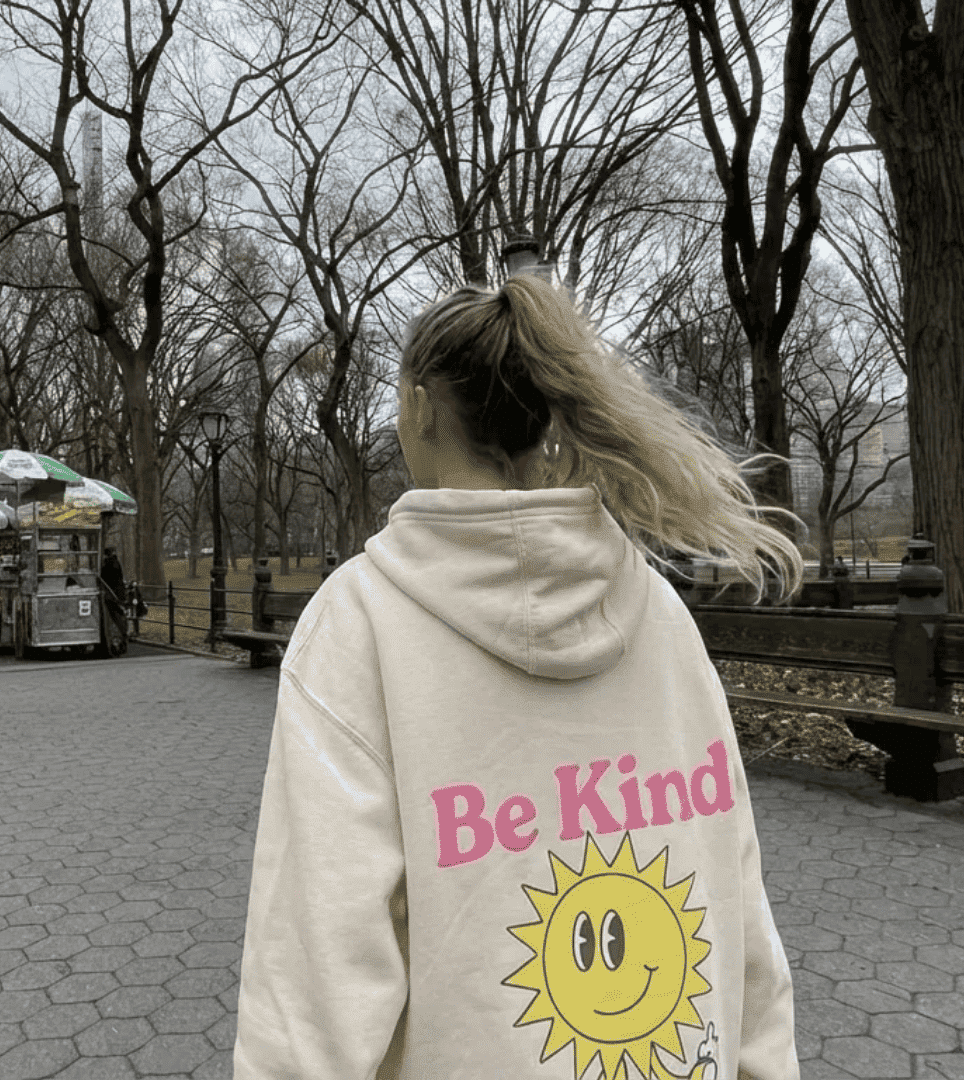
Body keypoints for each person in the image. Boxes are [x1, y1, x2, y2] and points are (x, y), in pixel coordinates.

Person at [232, 275, 804, 1079]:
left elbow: (317, 954)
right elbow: (733, 887)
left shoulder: (358, 624)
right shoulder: (659, 614)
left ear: (421, 409)